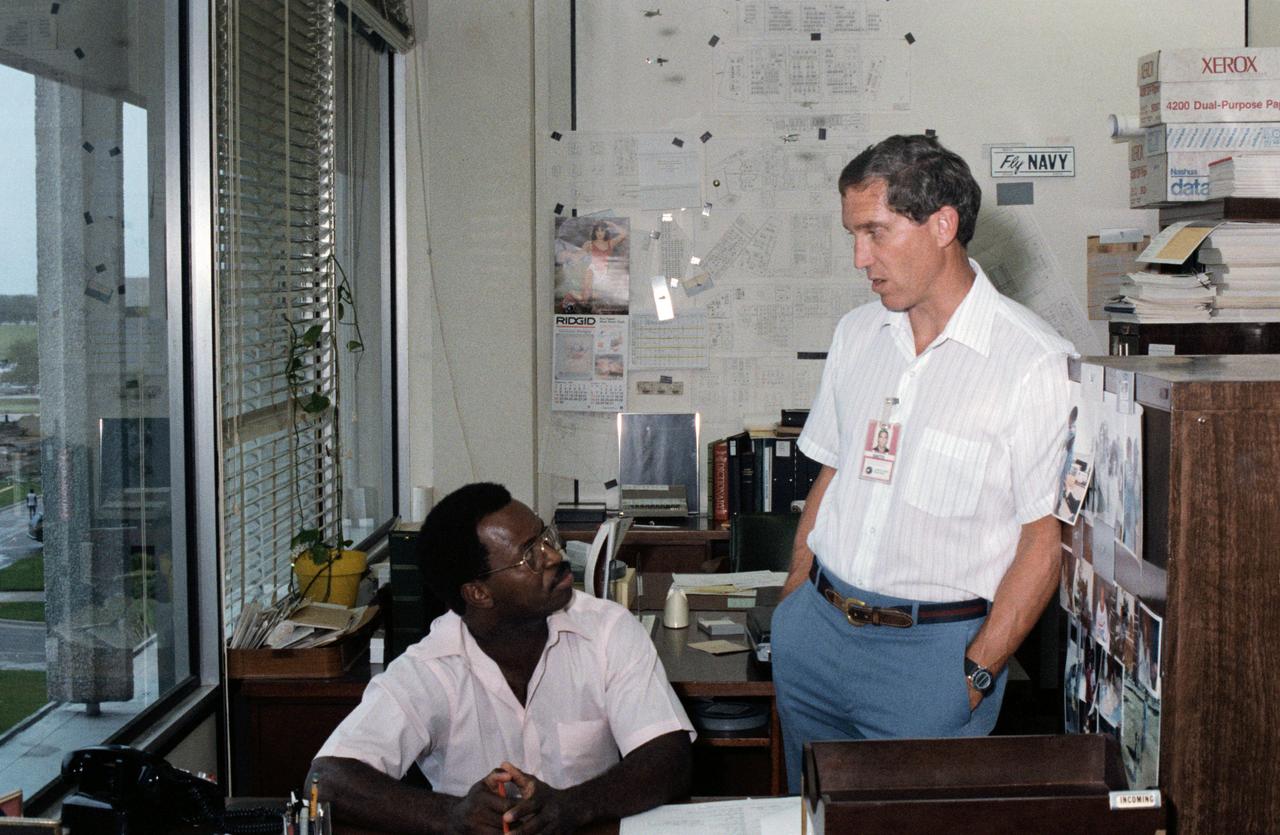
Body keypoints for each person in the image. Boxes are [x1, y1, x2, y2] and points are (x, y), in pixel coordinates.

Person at [771, 134, 1072, 792]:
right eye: (853, 235)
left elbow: (1043, 543)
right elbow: (833, 470)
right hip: (815, 636)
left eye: (876, 232)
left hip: (931, 661)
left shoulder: (1034, 362)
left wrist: (976, 672)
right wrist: (797, 593)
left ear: (943, 224)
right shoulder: (857, 334)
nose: (860, 258)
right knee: (807, 816)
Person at [308, 483, 694, 833]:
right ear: (478, 593)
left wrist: (570, 807)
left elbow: (669, 759)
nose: (554, 556)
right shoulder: (430, 668)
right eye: (530, 555)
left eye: (545, 536)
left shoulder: (607, 629)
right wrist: (453, 816)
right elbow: (325, 779)